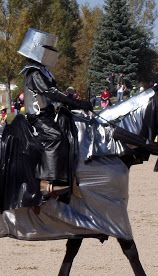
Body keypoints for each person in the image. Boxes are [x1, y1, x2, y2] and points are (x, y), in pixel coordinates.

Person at [17, 28, 92, 197]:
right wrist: (77, 102)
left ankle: (68, 175)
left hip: (49, 114)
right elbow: (52, 93)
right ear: (38, 49)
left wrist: (74, 102)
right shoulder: (34, 72)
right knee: (55, 137)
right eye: (48, 49)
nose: (52, 52)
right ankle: (47, 182)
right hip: (37, 117)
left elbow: (57, 93)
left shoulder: (44, 71)